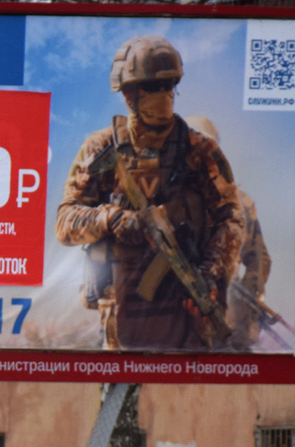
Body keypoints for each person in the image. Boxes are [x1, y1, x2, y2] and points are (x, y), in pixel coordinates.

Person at [56, 35, 243, 351]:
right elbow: (65, 223)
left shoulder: (200, 151)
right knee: (124, 395)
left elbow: (231, 220)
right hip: (121, 315)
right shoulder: (101, 148)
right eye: (153, 87)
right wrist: (113, 218)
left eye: (169, 85)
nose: (165, 94)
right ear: (129, 93)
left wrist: (209, 275)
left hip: (185, 314)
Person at [186, 115, 275, 350]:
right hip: (186, 309)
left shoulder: (242, 203)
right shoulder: (174, 199)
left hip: (220, 310)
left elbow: (258, 260)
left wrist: (243, 299)